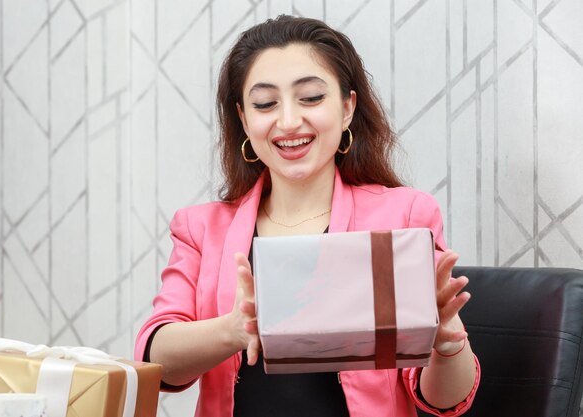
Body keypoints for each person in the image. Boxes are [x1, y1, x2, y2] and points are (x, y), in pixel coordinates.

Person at [135, 15, 480, 417]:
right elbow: (155, 360)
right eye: (265, 104)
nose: (287, 121)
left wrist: (447, 341)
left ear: (348, 107)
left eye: (311, 98)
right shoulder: (200, 227)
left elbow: (445, 399)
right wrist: (235, 329)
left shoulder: (403, 215)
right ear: (245, 120)